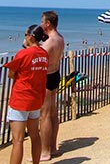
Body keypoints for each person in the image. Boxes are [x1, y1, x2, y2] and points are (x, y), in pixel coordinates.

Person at [4, 25, 49, 164]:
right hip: (36, 99)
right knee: (35, 135)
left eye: (25, 35)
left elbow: (11, 74)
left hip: (21, 99)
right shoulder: (43, 54)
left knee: (17, 140)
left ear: (30, 36)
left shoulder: (23, 53)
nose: (24, 37)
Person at [39, 11, 65, 161]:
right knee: (53, 112)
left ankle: (45, 151)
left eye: (42, 21)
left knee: (45, 115)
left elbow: (37, 59)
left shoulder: (48, 43)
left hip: (47, 77)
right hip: (55, 74)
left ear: (48, 23)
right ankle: (53, 148)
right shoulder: (60, 38)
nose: (41, 24)